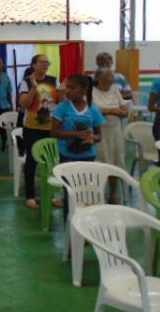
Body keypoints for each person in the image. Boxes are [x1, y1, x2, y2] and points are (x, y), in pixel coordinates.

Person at [51, 74, 105, 218]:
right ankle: (69, 228)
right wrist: (76, 134)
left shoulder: (93, 109)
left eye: (72, 87)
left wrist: (93, 138)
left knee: (85, 192)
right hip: (67, 156)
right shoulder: (63, 107)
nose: (68, 91)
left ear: (84, 90)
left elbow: (99, 135)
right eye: (67, 87)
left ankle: (84, 226)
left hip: (87, 156)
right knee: (69, 193)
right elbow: (54, 132)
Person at [19, 54, 62, 210]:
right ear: (33, 65)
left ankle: (51, 195)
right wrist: (33, 88)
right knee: (31, 161)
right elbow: (23, 105)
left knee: (51, 162)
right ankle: (30, 196)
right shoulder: (25, 82)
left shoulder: (54, 80)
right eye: (42, 62)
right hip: (32, 128)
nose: (45, 64)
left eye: (47, 62)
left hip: (51, 127)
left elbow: (59, 101)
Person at [93, 67, 128, 203]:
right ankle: (99, 194)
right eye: (110, 75)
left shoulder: (115, 90)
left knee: (116, 160)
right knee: (101, 160)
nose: (113, 77)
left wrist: (120, 111)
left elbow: (124, 110)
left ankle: (113, 194)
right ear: (100, 78)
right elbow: (94, 110)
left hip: (115, 131)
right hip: (100, 132)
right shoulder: (92, 92)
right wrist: (113, 110)